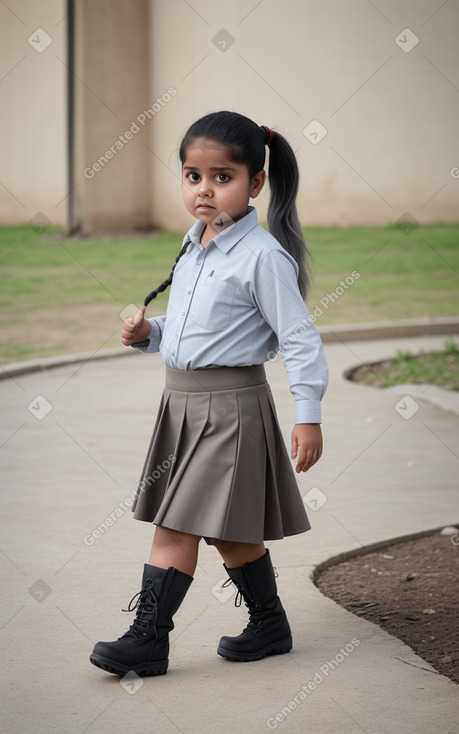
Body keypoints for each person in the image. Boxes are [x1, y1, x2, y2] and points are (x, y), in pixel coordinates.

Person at [90, 111, 328, 677]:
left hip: (231, 410)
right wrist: (152, 334)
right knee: (228, 532)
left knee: (175, 525)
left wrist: (308, 414)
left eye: (222, 176)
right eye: (192, 175)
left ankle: (149, 639)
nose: (204, 189)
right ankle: (270, 625)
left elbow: (299, 338)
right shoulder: (195, 244)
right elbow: (199, 324)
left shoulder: (263, 257)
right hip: (182, 405)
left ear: (256, 183)